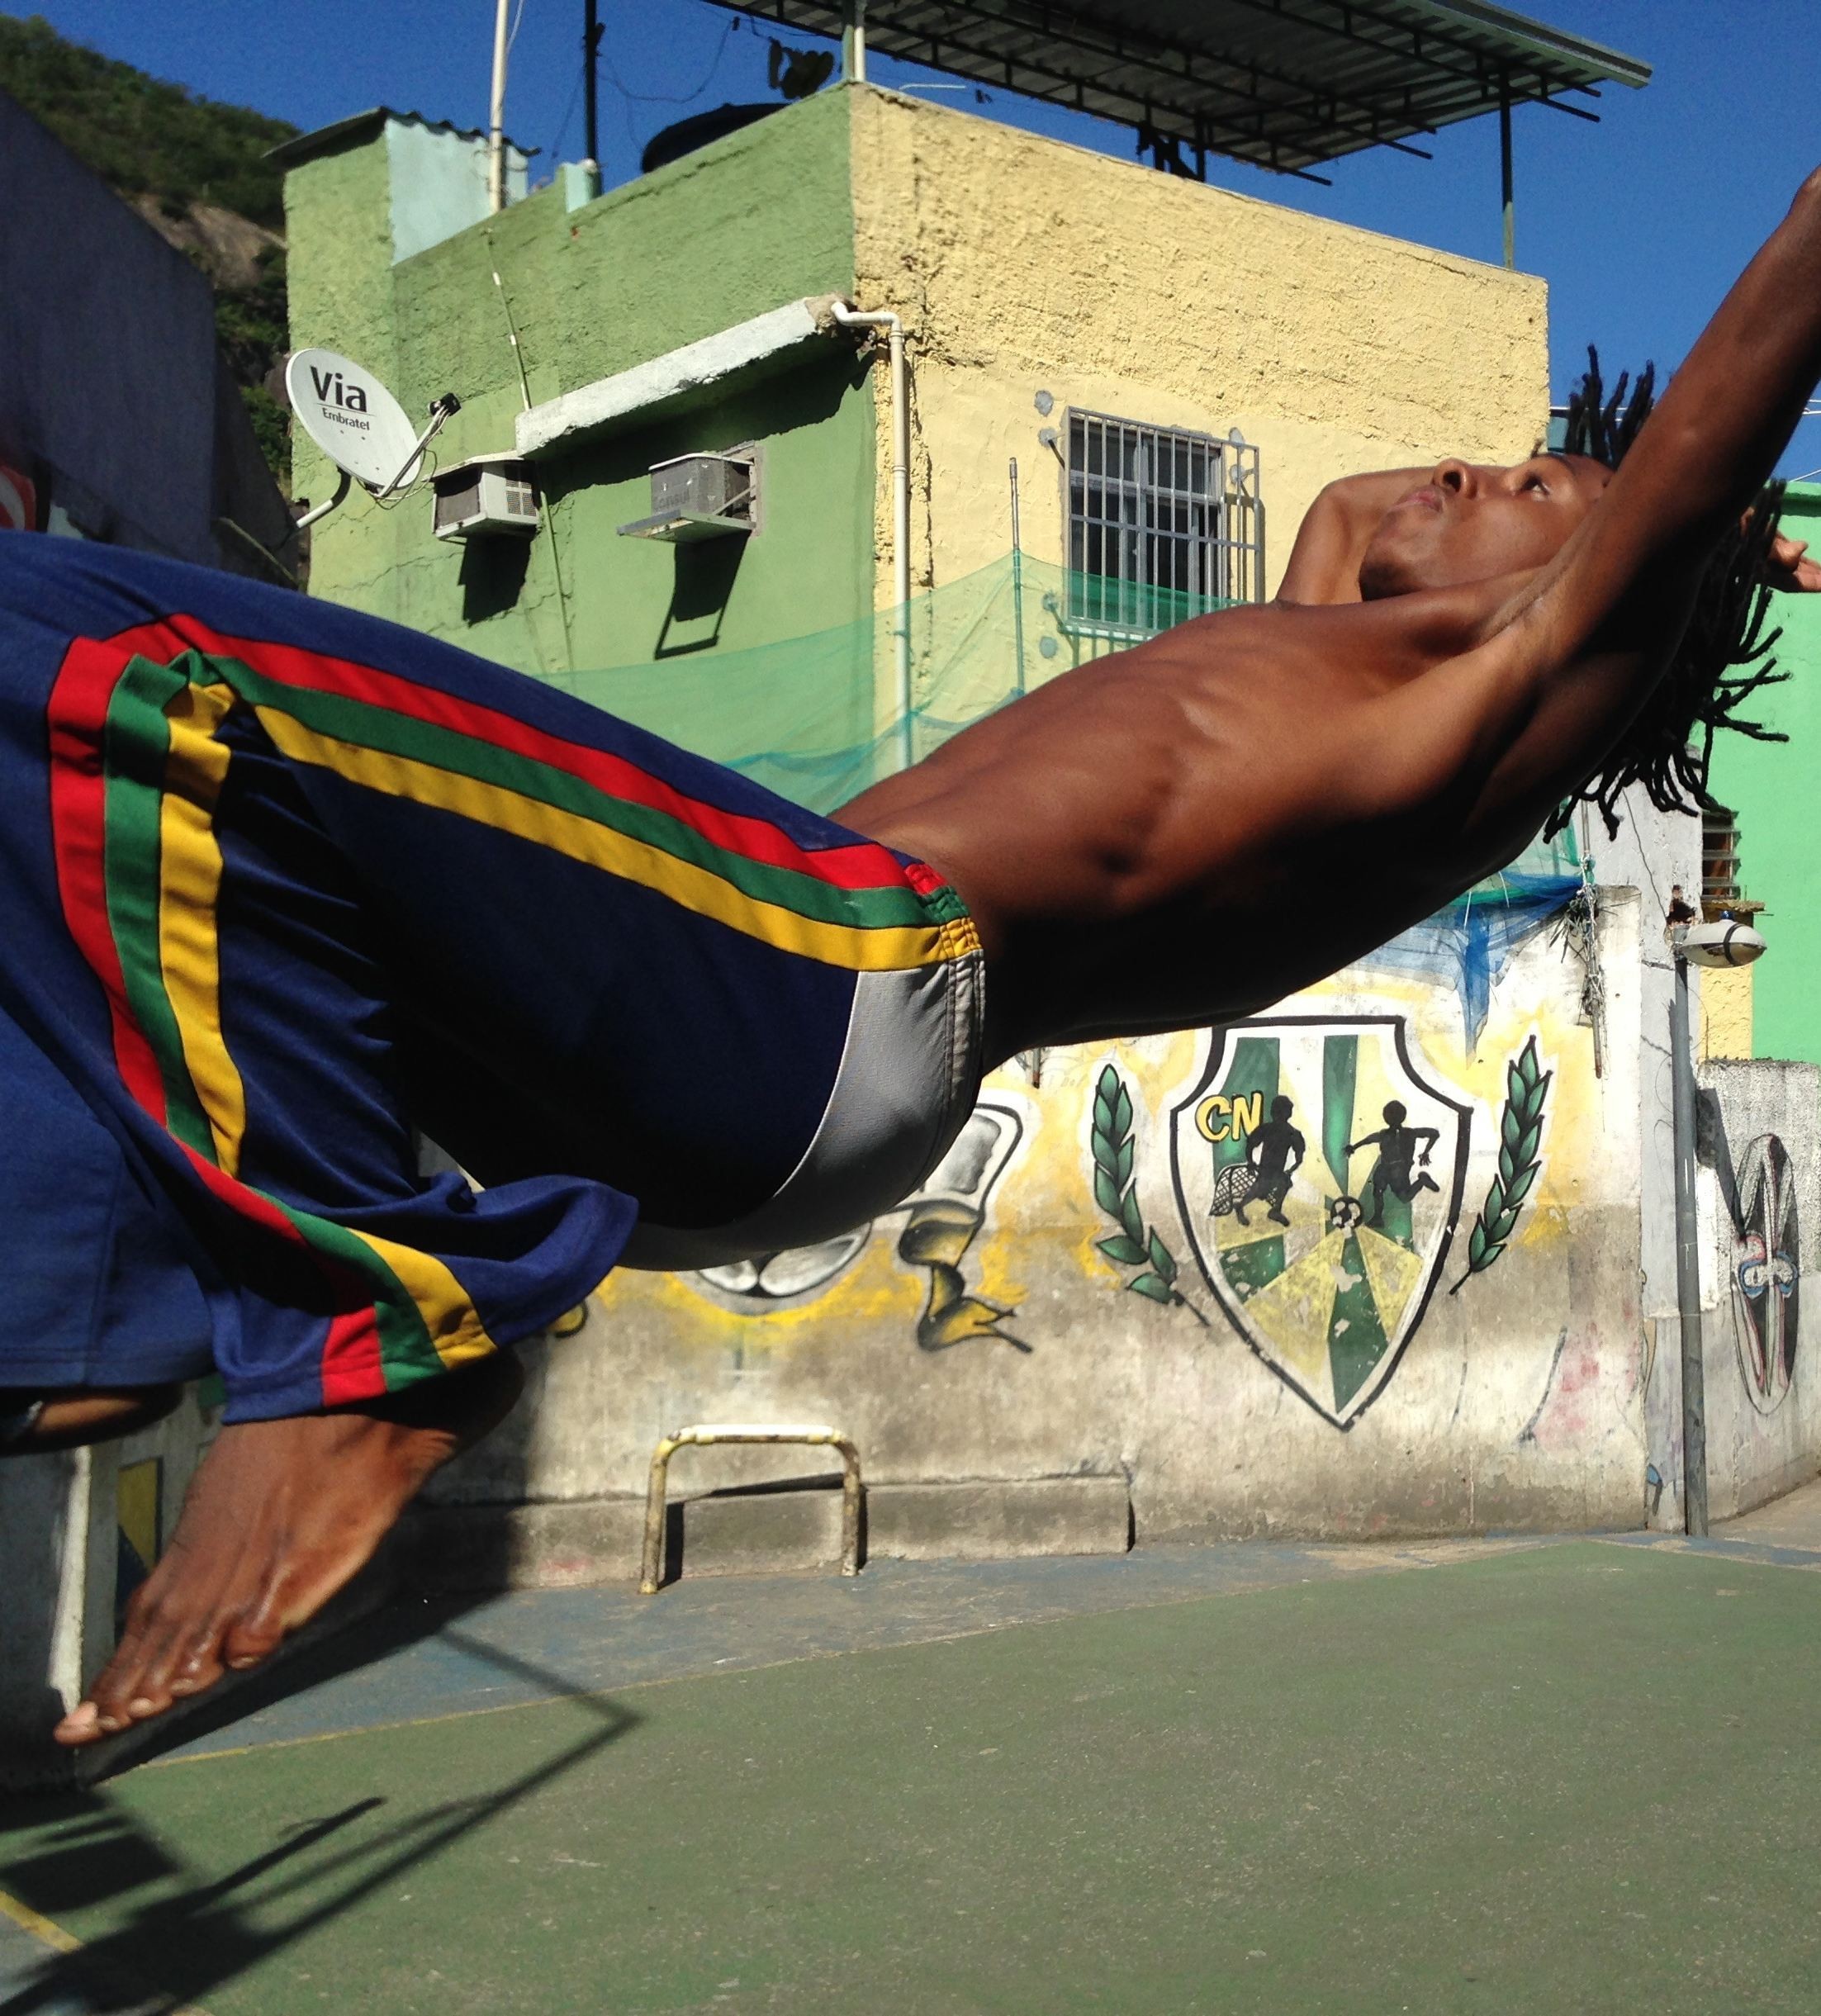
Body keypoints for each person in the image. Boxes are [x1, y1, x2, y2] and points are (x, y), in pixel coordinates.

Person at [13, 167, 1821, 1749]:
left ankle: (356, 1330)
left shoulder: (1495, 706)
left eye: (1525, 481)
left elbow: (1716, 408)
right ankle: (92, 1297)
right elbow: (1355, 517)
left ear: (1605, 579)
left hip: (825, 967)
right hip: (746, 1068)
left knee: (119, 652)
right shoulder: (1312, 666)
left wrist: (1693, 512)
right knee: (125, 800)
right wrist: (1571, 506)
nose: (1461, 465)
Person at [1345, 1103, 1440, 1230]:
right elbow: (1434, 1133)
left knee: (1385, 1193)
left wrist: (1354, 1147)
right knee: (1388, 1193)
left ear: (1385, 1117)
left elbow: (1368, 1140)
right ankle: (1378, 1217)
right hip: (1393, 1171)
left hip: (1391, 1171)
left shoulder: (1386, 1134)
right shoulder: (1408, 1133)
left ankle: (1421, 1181)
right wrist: (1425, 1152)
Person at [1235, 1096, 1304, 1227]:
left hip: (1276, 1170)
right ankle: (1241, 1206)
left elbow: (1299, 1157)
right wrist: (1250, 1162)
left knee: (1281, 1184)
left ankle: (1275, 1210)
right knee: (1260, 1189)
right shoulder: (1270, 1129)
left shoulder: (1292, 1133)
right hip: (1266, 1168)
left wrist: (1290, 1170)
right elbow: (1250, 1144)